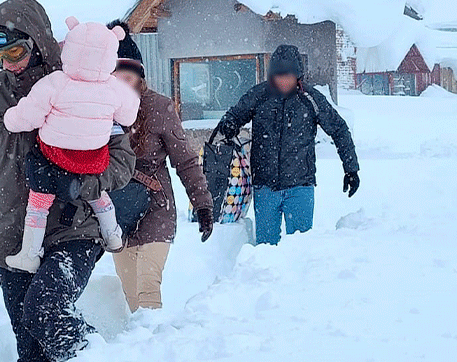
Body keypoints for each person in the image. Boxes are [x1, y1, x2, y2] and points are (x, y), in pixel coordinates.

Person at [0, 0, 135, 362]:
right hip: (10, 239)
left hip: (73, 228)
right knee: (31, 348)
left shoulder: (83, 85)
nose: (7, 63)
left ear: (38, 42)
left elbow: (124, 161)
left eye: (15, 52)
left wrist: (81, 184)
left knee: (46, 309)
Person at [3, 17, 140, 273]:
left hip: (55, 155)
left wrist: (11, 119)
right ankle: (113, 233)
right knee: (97, 193)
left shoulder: (56, 82)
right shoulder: (113, 87)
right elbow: (128, 115)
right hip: (93, 157)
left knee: (39, 200)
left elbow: (30, 115)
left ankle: (29, 254)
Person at [106, 20, 214, 313]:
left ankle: (156, 351)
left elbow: (186, 161)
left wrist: (202, 205)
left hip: (157, 207)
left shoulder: (159, 107)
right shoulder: (100, 111)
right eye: (116, 77)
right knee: (131, 297)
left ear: (140, 78)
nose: (122, 85)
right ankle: (139, 353)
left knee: (147, 287)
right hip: (118, 214)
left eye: (128, 77)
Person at [217, 44, 360, 245]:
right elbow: (233, 115)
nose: (283, 80)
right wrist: (229, 124)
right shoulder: (259, 95)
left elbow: (339, 129)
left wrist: (351, 169)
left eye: (288, 75)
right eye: (279, 75)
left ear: (298, 75)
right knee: (265, 250)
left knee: (301, 249)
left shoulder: (311, 99)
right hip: (265, 187)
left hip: (300, 187)